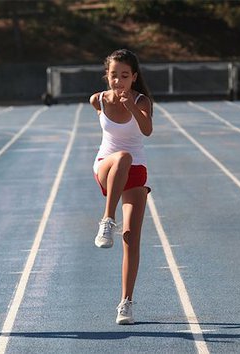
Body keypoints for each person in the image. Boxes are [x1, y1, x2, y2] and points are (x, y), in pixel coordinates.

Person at [90, 49, 153, 325]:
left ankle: (125, 303)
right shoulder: (98, 100)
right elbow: (112, 140)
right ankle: (107, 218)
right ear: (107, 76)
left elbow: (147, 130)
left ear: (133, 78)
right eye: (114, 75)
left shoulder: (142, 101)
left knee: (131, 238)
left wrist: (130, 106)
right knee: (122, 157)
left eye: (124, 76)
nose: (118, 81)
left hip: (136, 171)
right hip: (107, 164)